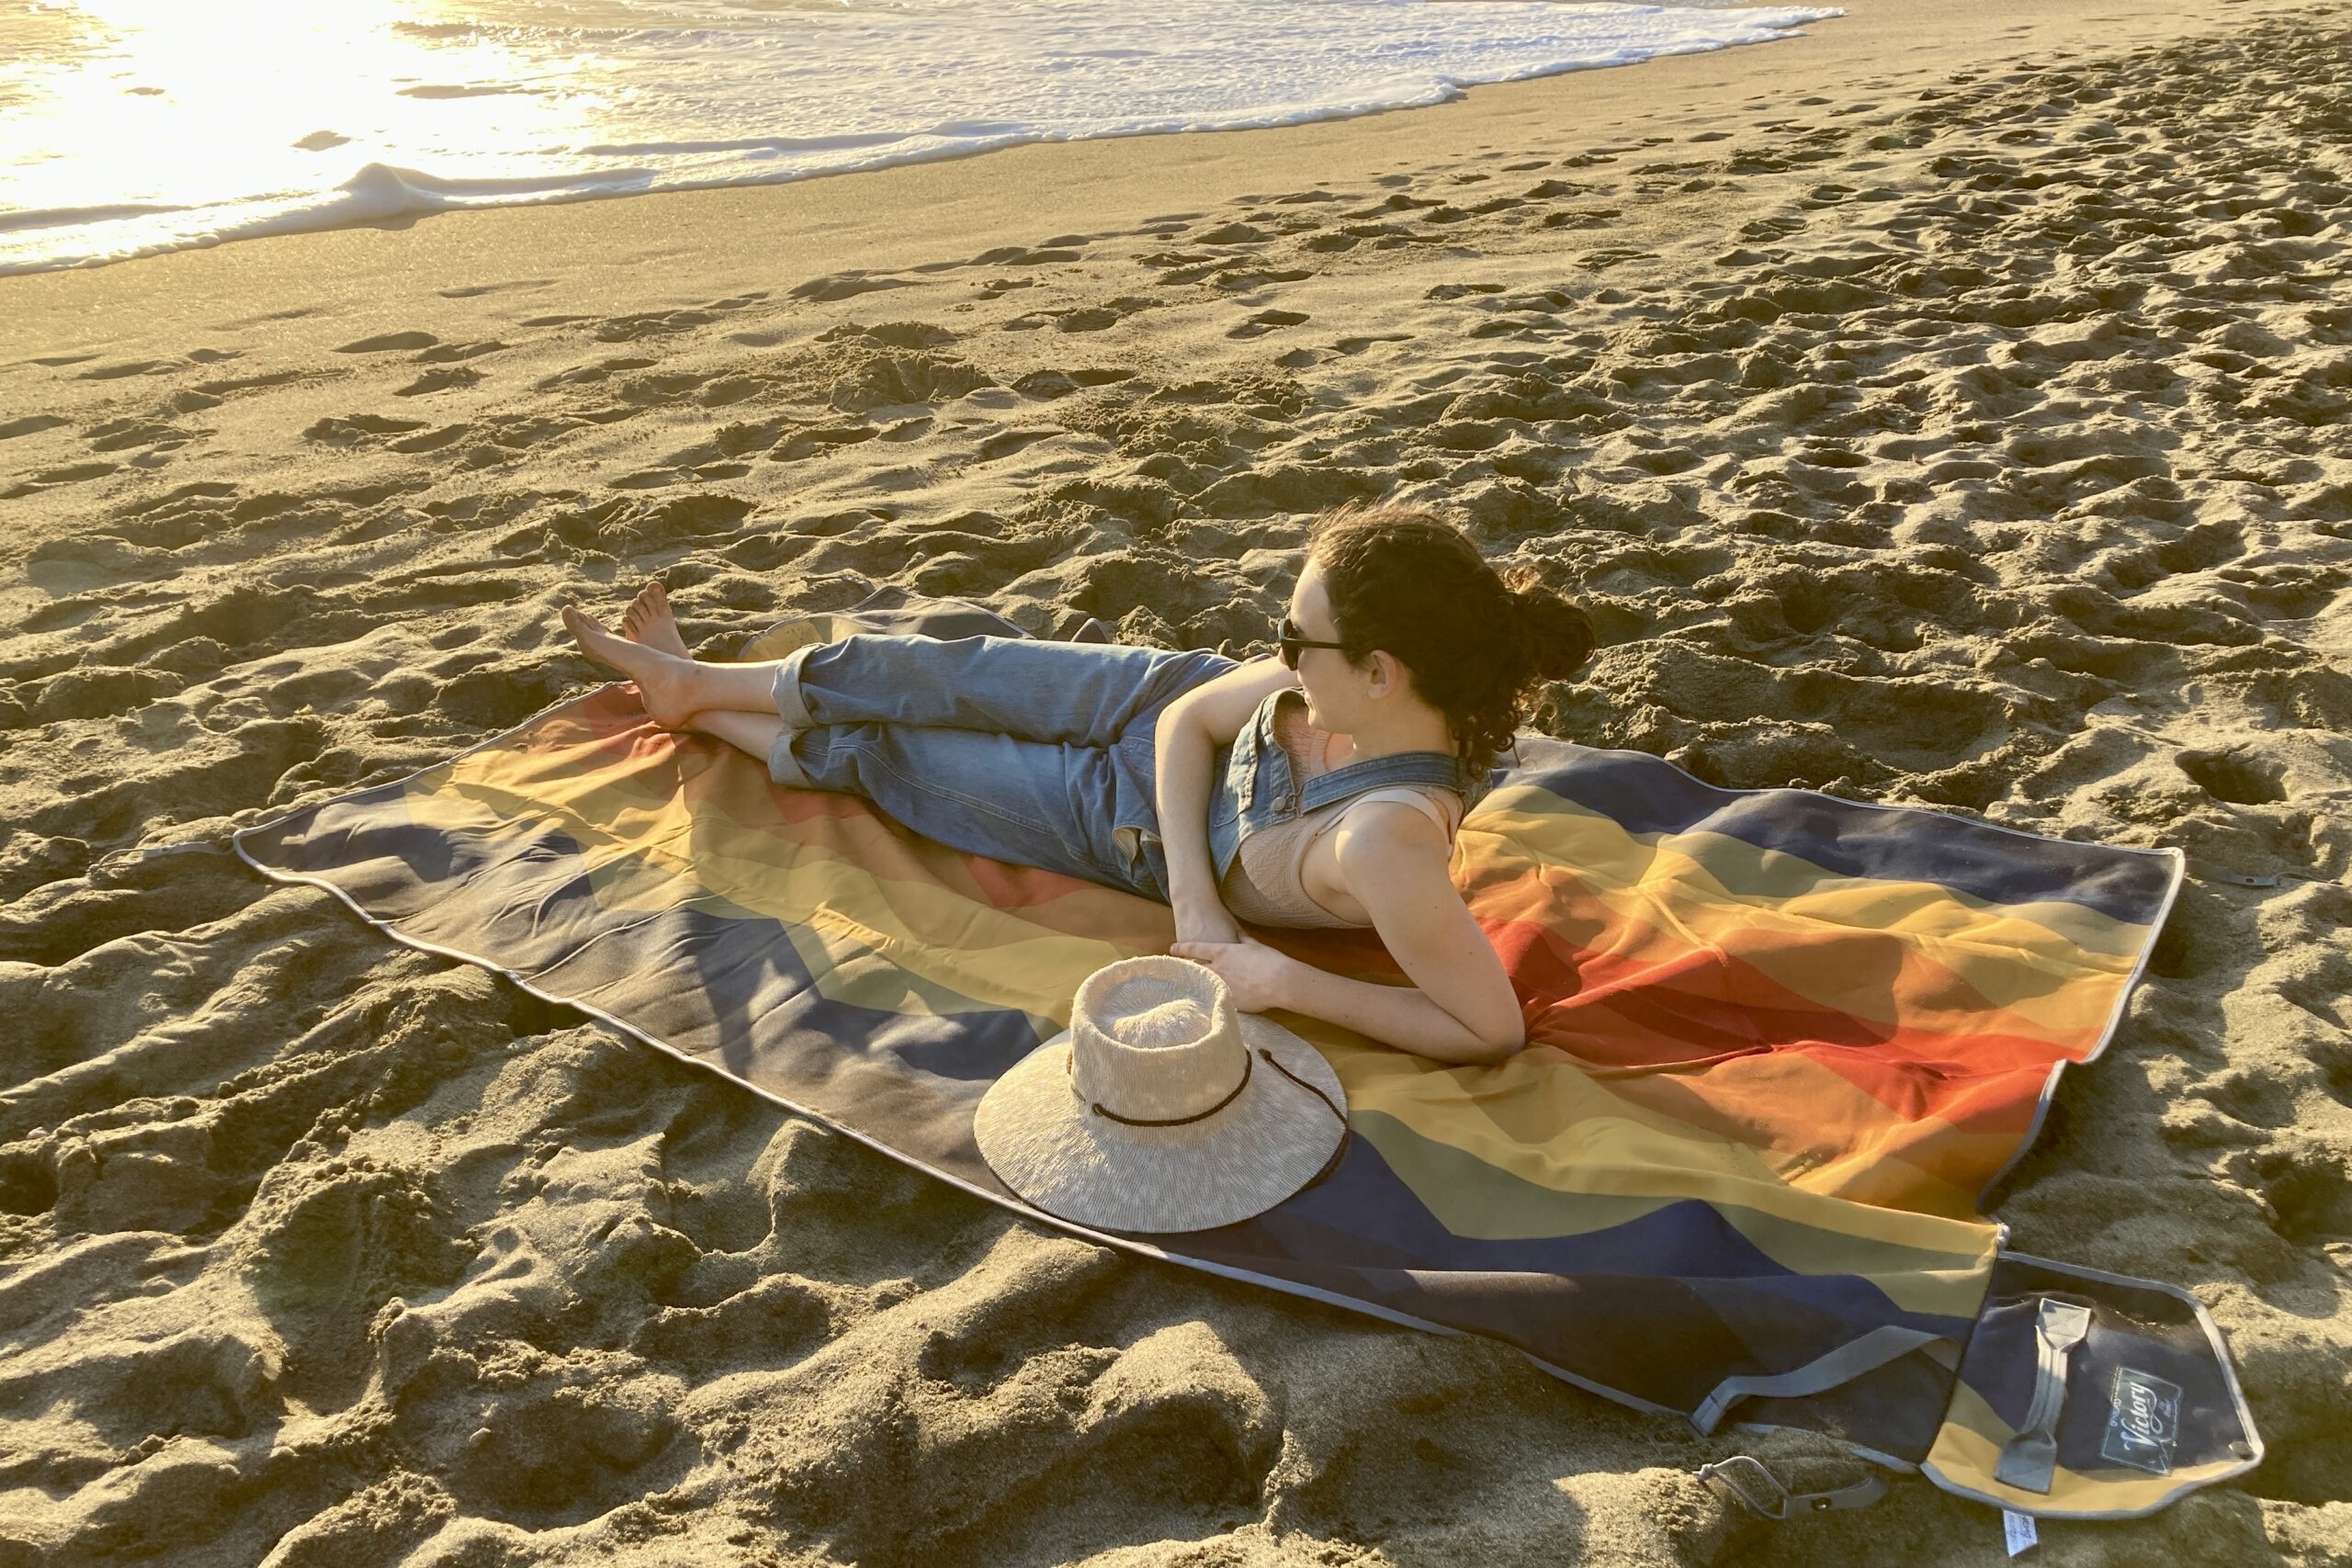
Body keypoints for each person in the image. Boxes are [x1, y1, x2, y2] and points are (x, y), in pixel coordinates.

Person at [559, 500, 1596, 1065]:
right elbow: (1192, 715)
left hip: (1126, 820)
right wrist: (1195, 898)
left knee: (899, 757)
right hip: (1161, 711)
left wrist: (1284, 981)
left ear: (1378, 671)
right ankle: (694, 684)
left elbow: (1486, 1025)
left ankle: (702, 712)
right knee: (942, 665)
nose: (1282, 648)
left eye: (1298, 635)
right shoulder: (1374, 680)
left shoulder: (1384, 842)